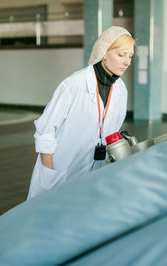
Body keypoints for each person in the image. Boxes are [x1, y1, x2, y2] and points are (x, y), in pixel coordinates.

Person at [27, 26, 135, 199]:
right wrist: (49, 175)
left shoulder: (121, 90)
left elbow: (111, 131)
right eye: (121, 55)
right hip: (61, 170)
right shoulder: (74, 85)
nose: (127, 62)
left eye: (130, 56)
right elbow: (45, 130)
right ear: (104, 53)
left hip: (95, 172)